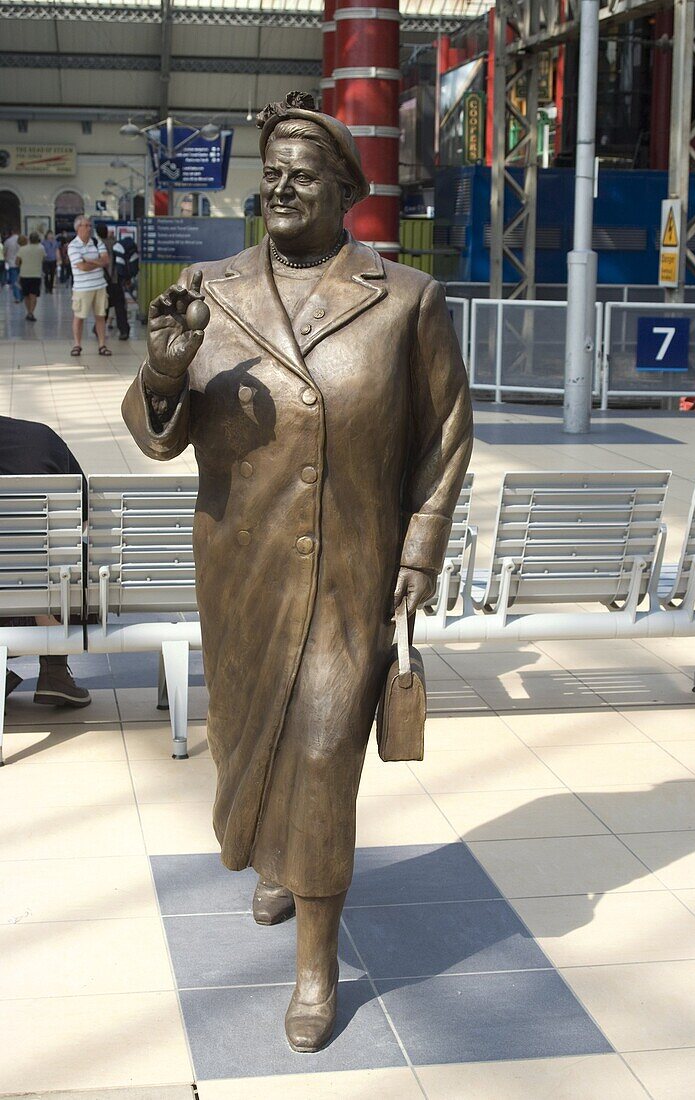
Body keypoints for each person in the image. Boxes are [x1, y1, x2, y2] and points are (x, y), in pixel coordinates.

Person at [123, 91, 473, 1052]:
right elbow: (159, 434)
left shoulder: (403, 298)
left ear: (346, 193)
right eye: (270, 171)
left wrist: (420, 546)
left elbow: (444, 431)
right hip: (240, 568)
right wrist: (161, 373)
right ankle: (275, 861)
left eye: (303, 173)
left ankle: (316, 965)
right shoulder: (208, 288)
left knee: (323, 753)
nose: (280, 186)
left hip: (352, 571)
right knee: (246, 740)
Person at [1, 414, 91, 709]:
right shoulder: (43, 439)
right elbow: (85, 515)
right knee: (77, 566)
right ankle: (54, 672)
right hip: (55, 603)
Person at [67, 215, 111, 356]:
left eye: (90, 226)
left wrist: (90, 260)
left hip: (99, 285)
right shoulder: (73, 246)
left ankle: (102, 345)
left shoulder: (97, 242)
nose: (89, 228)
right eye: (85, 225)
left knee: (100, 315)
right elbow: (82, 266)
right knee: (79, 316)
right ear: (78, 228)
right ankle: (77, 345)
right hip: (82, 288)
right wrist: (96, 262)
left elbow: (106, 261)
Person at [96, 223, 129, 340]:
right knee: (120, 307)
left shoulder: (99, 245)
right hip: (117, 280)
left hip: (104, 281)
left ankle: (97, 328)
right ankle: (124, 330)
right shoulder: (116, 243)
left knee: (103, 306)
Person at [17, 231, 45, 322]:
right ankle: (31, 312)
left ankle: (28, 311)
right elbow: (44, 259)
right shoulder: (41, 248)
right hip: (36, 275)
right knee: (33, 295)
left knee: (26, 295)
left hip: (24, 274)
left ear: (29, 239)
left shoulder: (22, 249)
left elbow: (17, 262)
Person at [4, 228, 21, 303]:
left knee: (14, 281)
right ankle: (22, 295)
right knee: (21, 280)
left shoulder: (7, 241)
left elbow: (5, 252)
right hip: (21, 263)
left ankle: (17, 297)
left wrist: (6, 260)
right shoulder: (22, 240)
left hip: (11, 263)